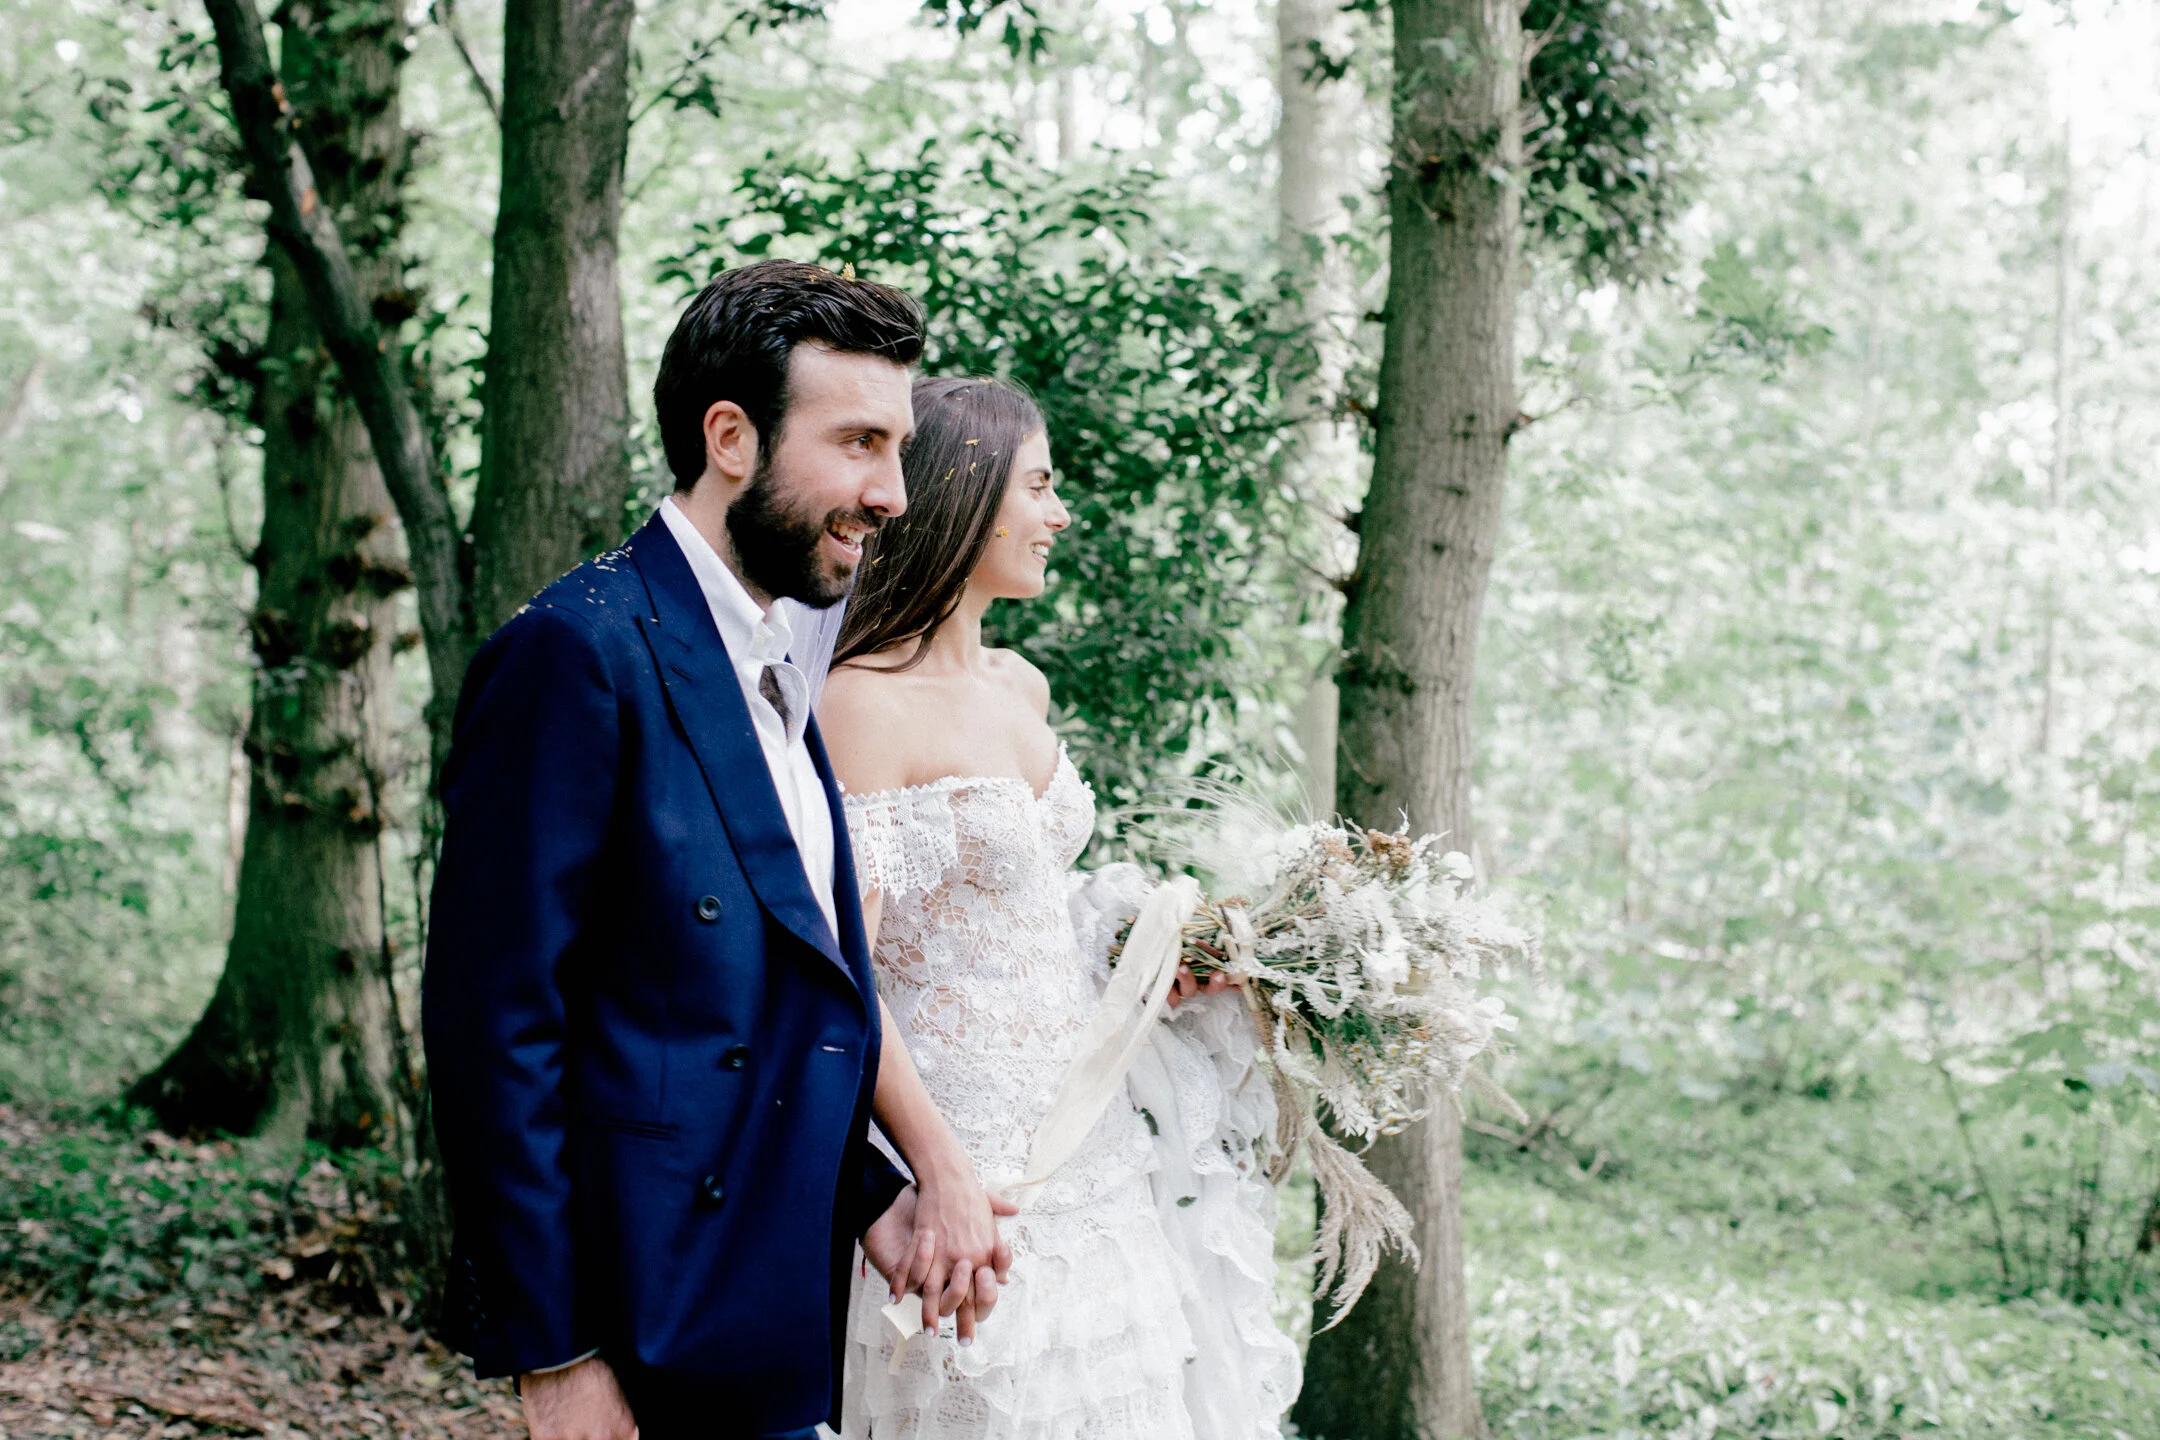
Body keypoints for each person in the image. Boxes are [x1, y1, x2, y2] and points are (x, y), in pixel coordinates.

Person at [422, 262, 1010, 1440]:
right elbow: (494, 1030)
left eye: (897, 448)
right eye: (858, 443)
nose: (892, 494)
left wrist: (874, 1198)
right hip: (643, 1324)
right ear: (730, 437)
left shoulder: (777, 659)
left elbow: (766, 992)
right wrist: (557, 1356)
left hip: (775, 1301)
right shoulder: (575, 654)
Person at [820, 376, 1299, 1439]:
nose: (1060, 514)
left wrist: (1147, 953)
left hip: (1094, 1156)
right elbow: (839, 977)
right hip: (964, 1175)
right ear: (965, 494)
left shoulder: (1020, 685)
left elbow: (1029, 916)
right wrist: (935, 1169)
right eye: (1039, 486)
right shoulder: (857, 703)